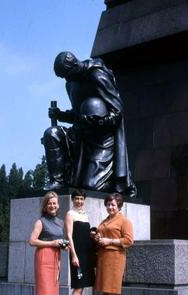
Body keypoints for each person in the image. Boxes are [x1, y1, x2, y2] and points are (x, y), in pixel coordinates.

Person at [42, 51, 136, 196]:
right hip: (81, 136)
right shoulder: (71, 84)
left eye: (67, 74)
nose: (66, 79)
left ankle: (116, 181)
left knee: (90, 186)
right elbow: (77, 114)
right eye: (63, 77)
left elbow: (117, 112)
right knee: (52, 134)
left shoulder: (97, 75)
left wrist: (98, 121)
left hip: (102, 139)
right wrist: (60, 115)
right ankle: (57, 180)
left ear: (74, 66)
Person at [29, 191, 68, 295]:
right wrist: (52, 243)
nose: (52, 205)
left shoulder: (60, 222)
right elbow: (32, 241)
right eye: (49, 203)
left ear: (58, 205)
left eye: (54, 203)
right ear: (45, 206)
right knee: (43, 293)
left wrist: (63, 245)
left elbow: (58, 240)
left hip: (55, 258)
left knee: (48, 294)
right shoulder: (40, 222)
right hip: (44, 257)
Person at [93, 193, 133, 295]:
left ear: (119, 206)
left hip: (115, 257)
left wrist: (109, 241)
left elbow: (128, 240)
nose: (110, 207)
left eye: (113, 205)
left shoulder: (124, 221)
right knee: (107, 291)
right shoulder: (105, 220)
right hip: (104, 256)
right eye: (108, 204)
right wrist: (97, 237)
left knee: (114, 291)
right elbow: (102, 235)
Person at [65, 189, 95, 295]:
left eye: (82, 198)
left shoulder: (85, 215)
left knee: (81, 288)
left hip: (86, 254)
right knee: (77, 288)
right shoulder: (70, 214)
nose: (79, 201)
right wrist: (73, 255)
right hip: (77, 255)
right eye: (76, 198)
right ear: (72, 200)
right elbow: (69, 236)